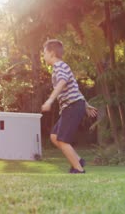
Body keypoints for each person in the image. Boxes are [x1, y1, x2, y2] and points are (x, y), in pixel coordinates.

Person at [41, 39, 98, 174]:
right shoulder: (59, 67)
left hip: (72, 106)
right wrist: (86, 104)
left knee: (62, 139)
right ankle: (78, 160)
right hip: (72, 106)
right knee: (54, 137)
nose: (43, 56)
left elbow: (62, 81)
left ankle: (78, 169)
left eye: (44, 53)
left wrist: (49, 100)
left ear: (51, 53)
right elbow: (75, 88)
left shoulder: (60, 66)